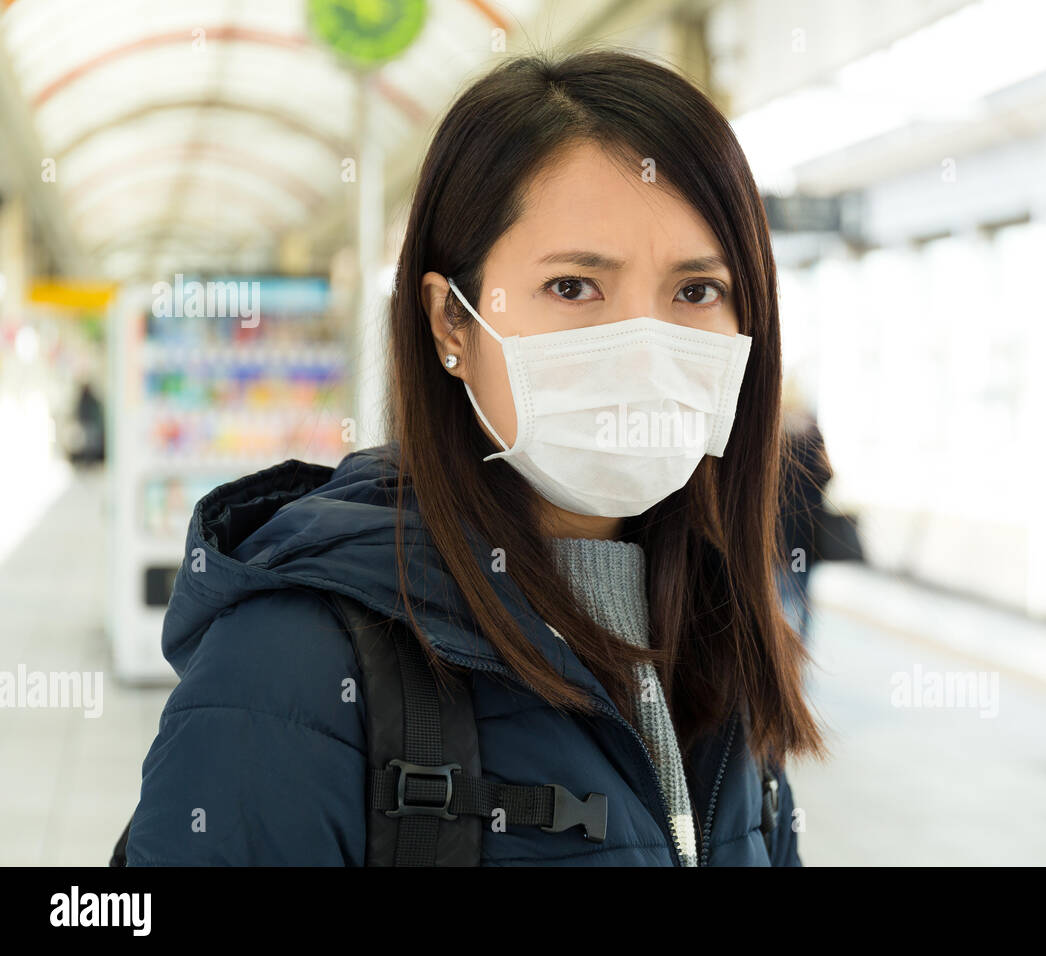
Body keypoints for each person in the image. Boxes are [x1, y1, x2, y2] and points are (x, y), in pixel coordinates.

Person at [126, 49, 826, 867]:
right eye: (573, 287)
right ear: (451, 324)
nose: (646, 344)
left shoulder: (719, 638)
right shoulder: (293, 664)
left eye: (696, 291)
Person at [776, 383, 834, 641]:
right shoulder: (812, 433)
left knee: (780, 586)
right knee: (801, 584)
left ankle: (780, 639)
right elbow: (828, 474)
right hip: (805, 532)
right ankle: (799, 639)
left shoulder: (777, 436)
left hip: (780, 531)